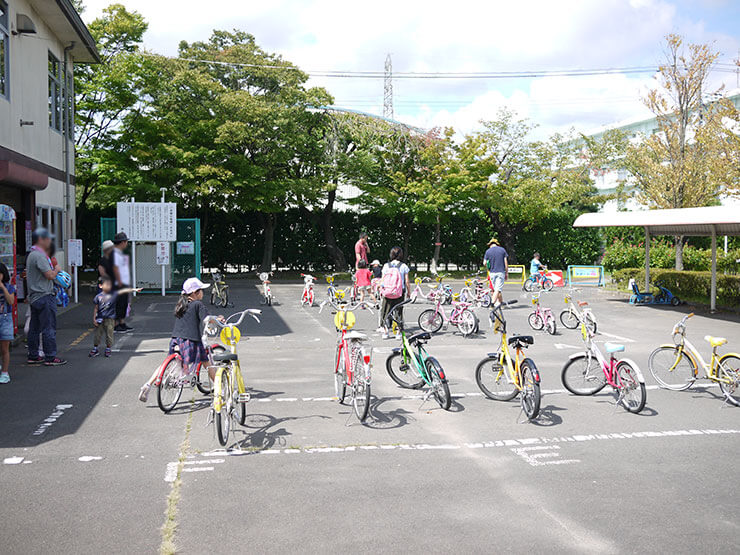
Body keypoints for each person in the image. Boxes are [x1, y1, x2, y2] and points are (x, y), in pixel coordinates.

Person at [139, 277, 211, 402]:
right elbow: (206, 319)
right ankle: (221, 388)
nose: (203, 293)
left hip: (176, 339)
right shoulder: (198, 304)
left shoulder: (181, 304)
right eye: (201, 290)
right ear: (195, 292)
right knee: (206, 362)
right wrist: (218, 319)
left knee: (168, 363)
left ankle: (148, 385)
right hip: (191, 341)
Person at [26, 228, 66, 366]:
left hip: (34, 297)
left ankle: (33, 355)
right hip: (44, 295)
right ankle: (50, 357)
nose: (50, 241)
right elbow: (49, 275)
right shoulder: (39, 255)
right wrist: (57, 270)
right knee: (48, 328)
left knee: (34, 328)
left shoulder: (32, 254)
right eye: (48, 239)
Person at [90, 277, 141, 358]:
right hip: (100, 318)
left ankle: (108, 349)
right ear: (100, 286)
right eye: (106, 284)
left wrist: (134, 290)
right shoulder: (98, 297)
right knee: (97, 335)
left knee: (109, 335)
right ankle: (95, 348)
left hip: (110, 319)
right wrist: (94, 318)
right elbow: (96, 308)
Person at [379, 246, 411, 339]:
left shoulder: (386, 266)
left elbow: (382, 280)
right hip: (399, 292)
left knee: (385, 311)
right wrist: (409, 292)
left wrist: (381, 290)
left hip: (387, 292)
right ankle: (398, 333)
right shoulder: (403, 266)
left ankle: (385, 332)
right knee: (398, 311)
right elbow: (407, 281)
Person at [112, 232, 134, 332]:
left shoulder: (119, 253)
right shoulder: (115, 254)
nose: (126, 244)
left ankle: (122, 322)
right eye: (125, 242)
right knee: (119, 304)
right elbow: (115, 269)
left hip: (122, 283)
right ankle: (116, 324)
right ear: (122, 242)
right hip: (118, 284)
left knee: (123, 303)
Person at [0, 263, 16, 383]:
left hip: (5, 320)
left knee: (5, 348)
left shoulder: (9, 287)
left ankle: (5, 372)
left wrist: (3, 288)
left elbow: (11, 301)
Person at [483, 237, 508, 307]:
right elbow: (505, 262)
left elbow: (484, 263)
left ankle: (501, 303)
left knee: (496, 289)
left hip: (492, 273)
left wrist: (488, 266)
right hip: (500, 272)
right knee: (497, 289)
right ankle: (492, 304)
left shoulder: (488, 251)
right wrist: (506, 273)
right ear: (497, 244)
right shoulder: (502, 250)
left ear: (490, 244)